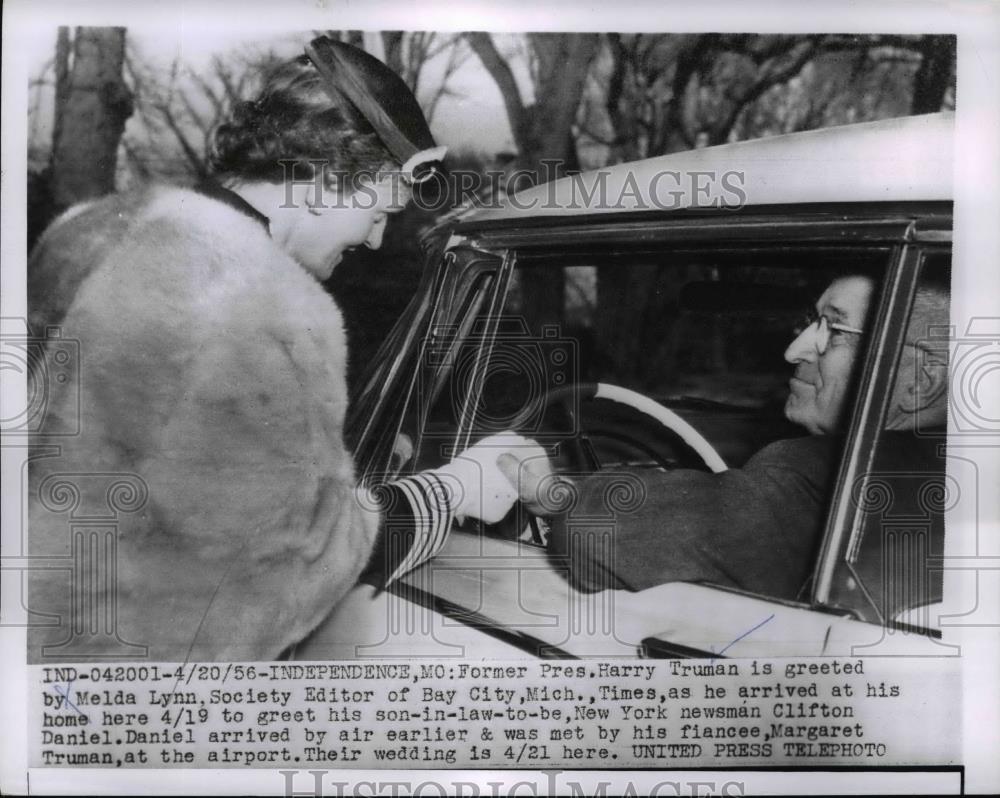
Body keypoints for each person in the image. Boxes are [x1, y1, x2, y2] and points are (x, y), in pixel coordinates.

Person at [27, 38, 539, 663]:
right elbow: (283, 582)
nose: (377, 240)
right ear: (326, 181)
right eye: (380, 210)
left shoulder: (89, 233)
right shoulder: (258, 301)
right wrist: (455, 491)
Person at [545, 274, 950, 604]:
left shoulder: (819, 477)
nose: (795, 350)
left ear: (920, 380)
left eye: (835, 330)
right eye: (810, 323)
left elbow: (595, 527)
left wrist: (550, 492)